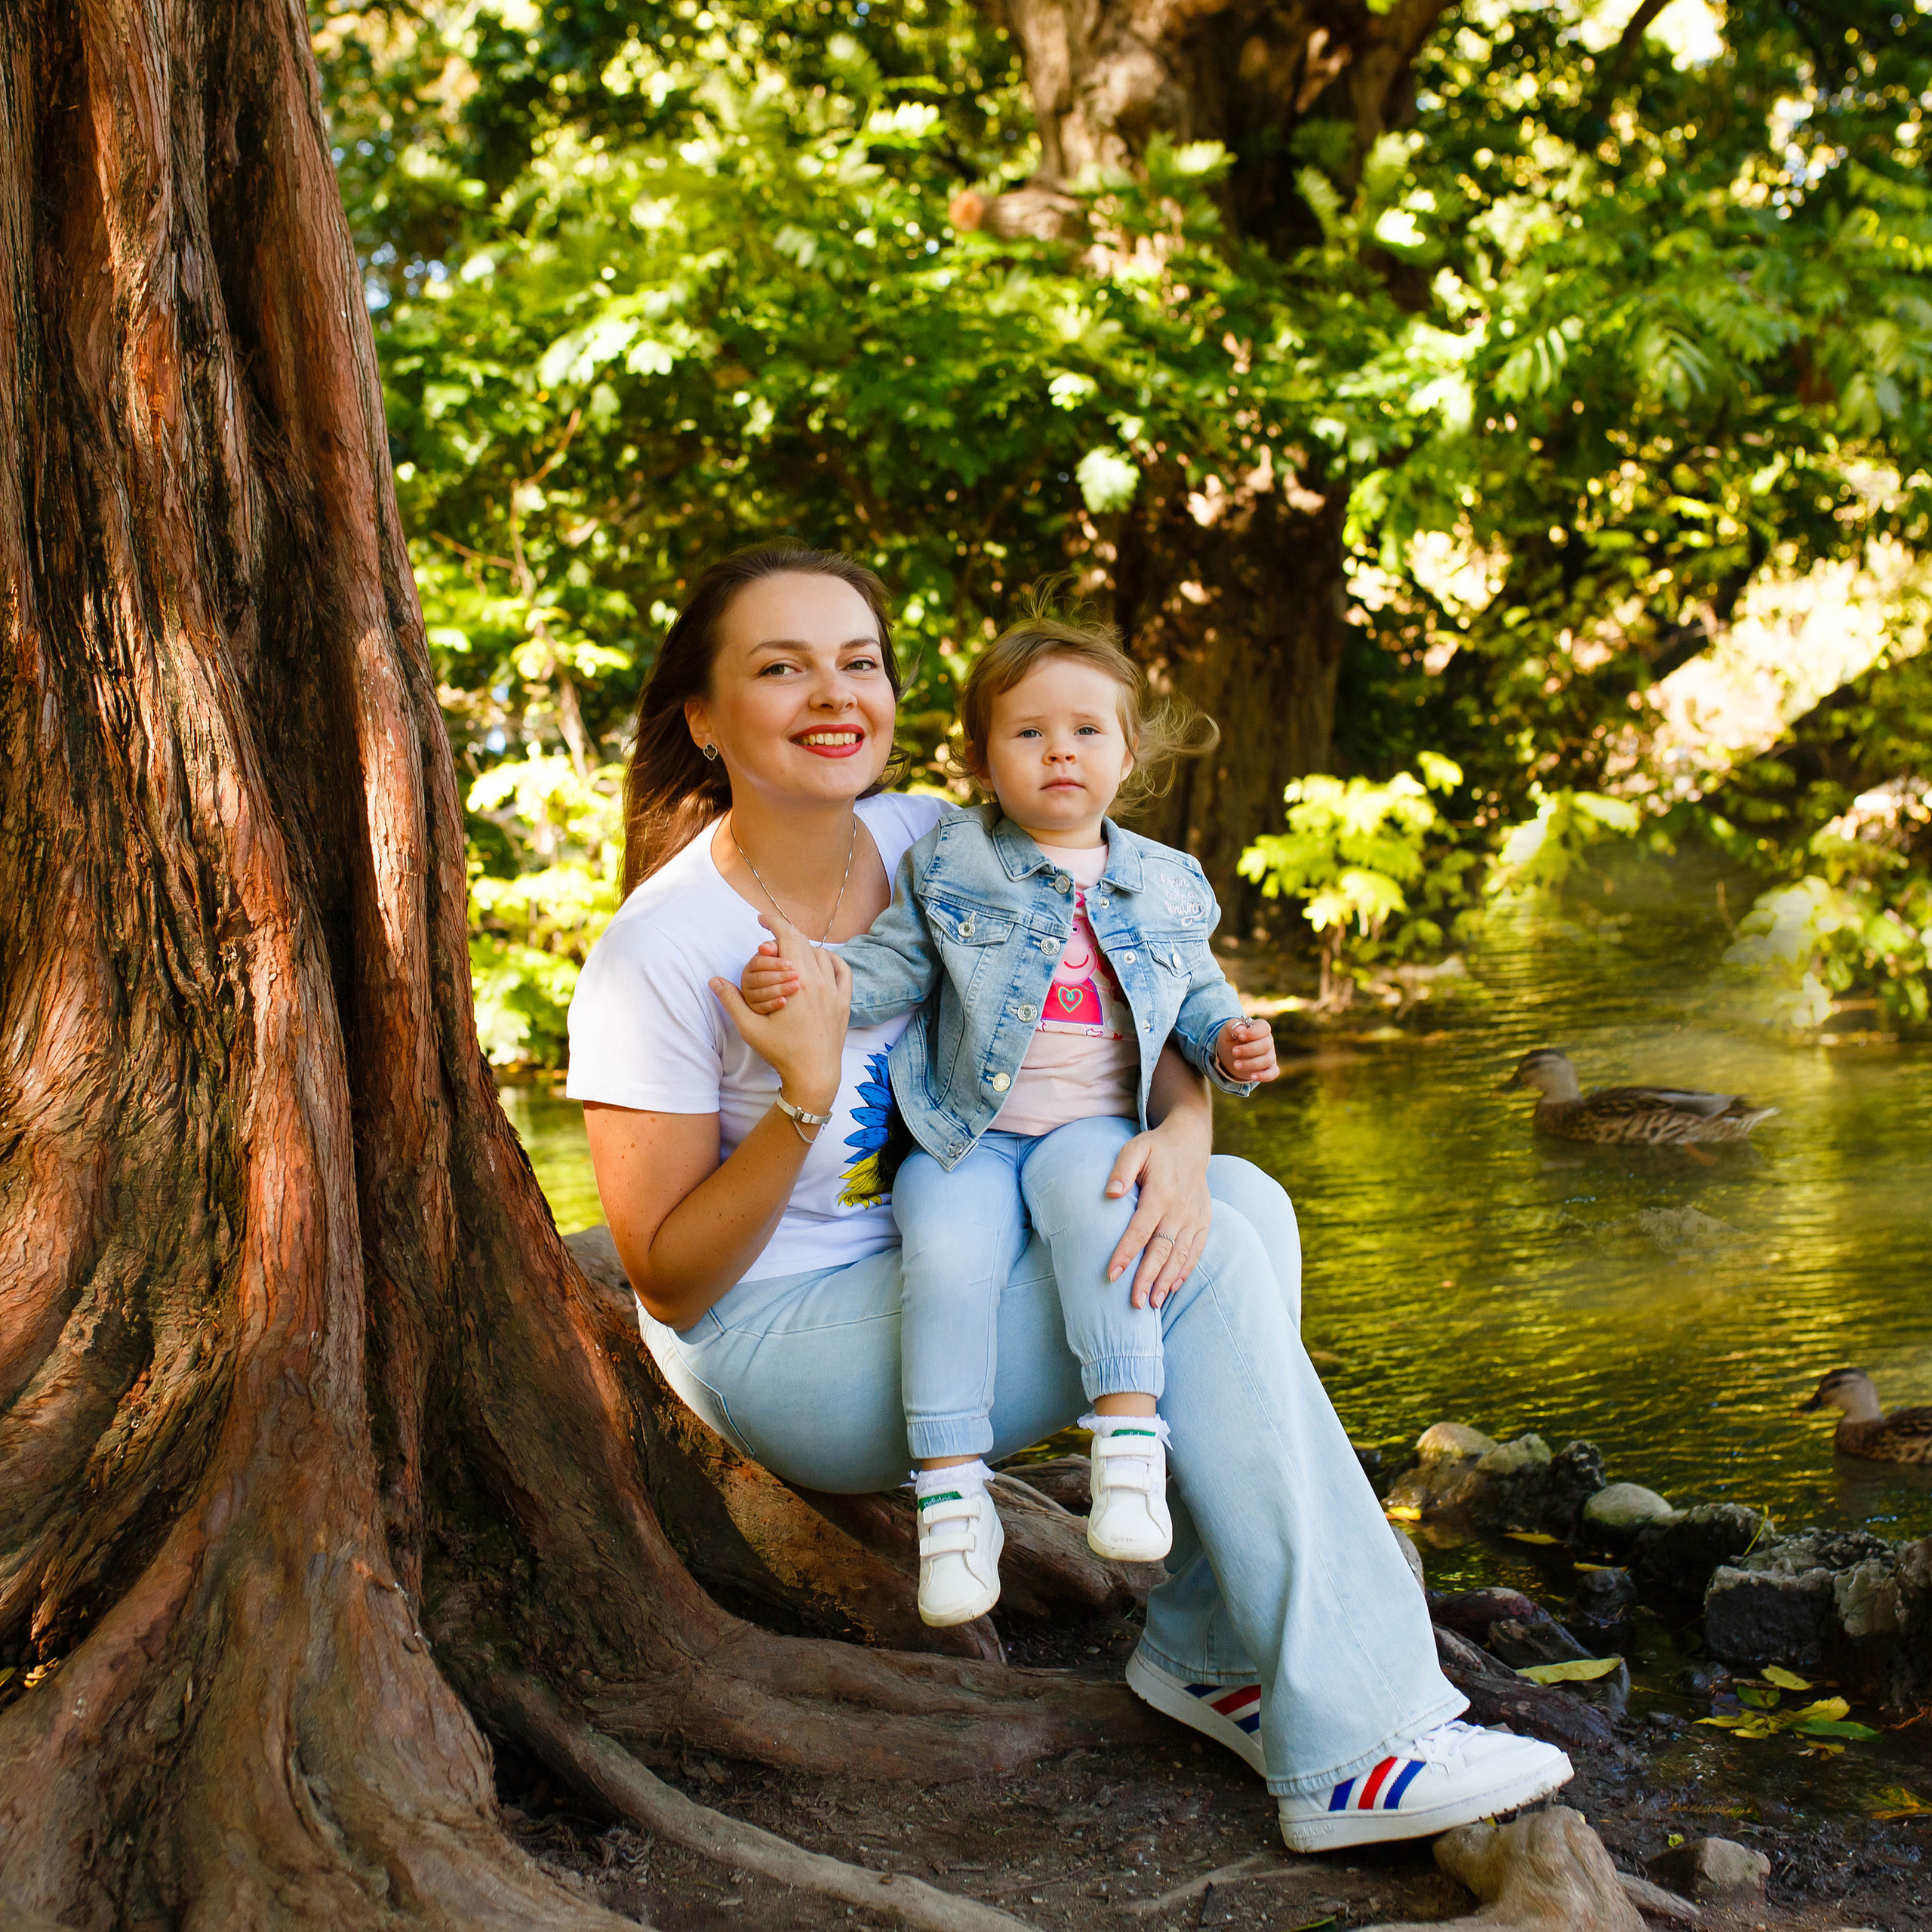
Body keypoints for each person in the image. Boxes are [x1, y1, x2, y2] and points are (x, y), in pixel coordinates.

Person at [567, 542, 1574, 1850]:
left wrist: (1189, 1128)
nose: (834, 692)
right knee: (1196, 1264)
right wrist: (806, 1096)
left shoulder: (935, 838)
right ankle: (1356, 1744)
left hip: (956, 1248)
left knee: (1240, 1210)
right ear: (704, 719)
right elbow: (667, 1275)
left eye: (858, 661)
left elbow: (1131, 989)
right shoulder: (659, 947)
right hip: (787, 1339)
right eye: (781, 667)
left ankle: (1213, 1645)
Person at [733, 612, 1281, 1627]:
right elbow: (892, 967)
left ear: (1129, 752)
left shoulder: (1166, 880)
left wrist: (1232, 1045)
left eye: (1085, 731)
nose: (1059, 750)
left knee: (1112, 1213)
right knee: (943, 1259)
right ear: (986, 758)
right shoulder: (954, 863)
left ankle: (1126, 1447)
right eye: (1027, 733)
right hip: (965, 1129)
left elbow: (1197, 999)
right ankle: (951, 1501)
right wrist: (812, 977)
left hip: (1090, 1125)